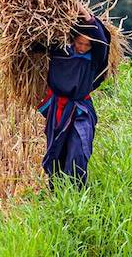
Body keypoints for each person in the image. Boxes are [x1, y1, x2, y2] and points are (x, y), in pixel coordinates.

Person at [38, 11, 112, 186]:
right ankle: (56, 189)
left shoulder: (94, 59)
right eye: (80, 43)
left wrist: (88, 18)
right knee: (56, 149)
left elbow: (102, 42)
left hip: (81, 109)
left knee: (79, 148)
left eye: (87, 45)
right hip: (57, 108)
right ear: (73, 39)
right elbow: (36, 43)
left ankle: (76, 189)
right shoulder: (59, 51)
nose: (83, 48)